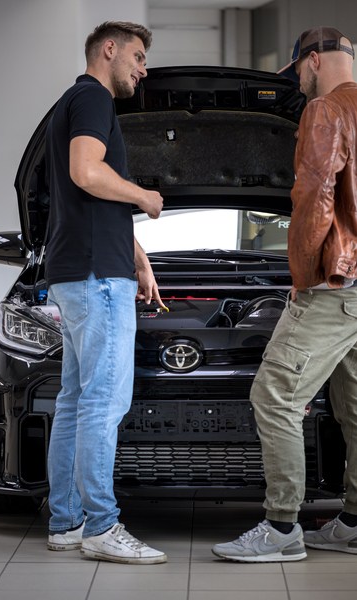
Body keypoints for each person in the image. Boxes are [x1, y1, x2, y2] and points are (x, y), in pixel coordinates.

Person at [212, 26, 357, 562]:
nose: (297, 81)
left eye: (297, 69)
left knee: (274, 396)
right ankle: (354, 524)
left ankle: (281, 529)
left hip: (334, 283)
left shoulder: (325, 110)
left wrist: (302, 279)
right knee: (355, 408)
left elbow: (314, 197)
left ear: (314, 60)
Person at [44, 21, 167, 565]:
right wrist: (144, 196)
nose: (143, 69)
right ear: (109, 50)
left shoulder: (71, 101)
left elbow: (91, 201)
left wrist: (137, 258)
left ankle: (67, 521)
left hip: (78, 270)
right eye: (138, 57)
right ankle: (101, 525)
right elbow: (87, 174)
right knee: (102, 402)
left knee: (74, 401)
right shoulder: (94, 99)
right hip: (97, 278)